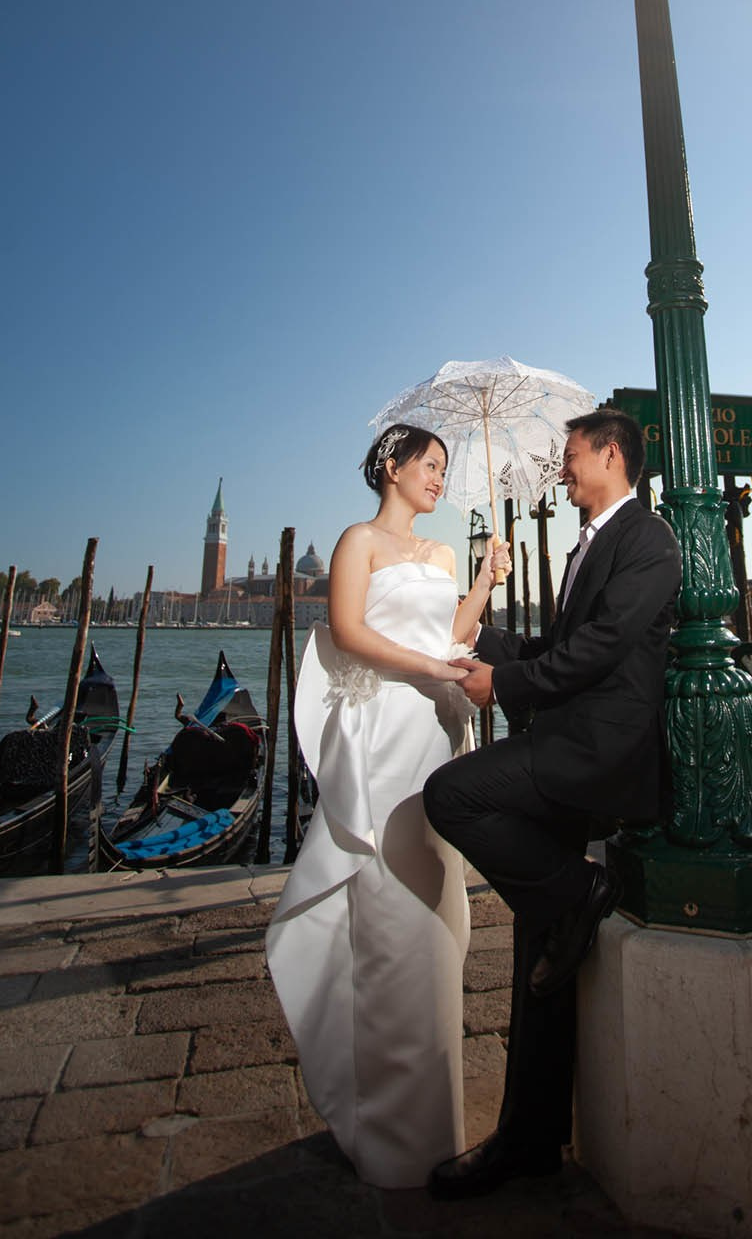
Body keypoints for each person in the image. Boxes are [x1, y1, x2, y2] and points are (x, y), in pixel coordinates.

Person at [423, 407, 682, 1199]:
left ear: (611, 455)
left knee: (451, 796)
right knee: (544, 951)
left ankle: (582, 891)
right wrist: (492, 636)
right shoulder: (590, 541)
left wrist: (505, 683)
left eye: (571, 456)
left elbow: (601, 649)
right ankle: (529, 1139)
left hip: (598, 750)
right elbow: (562, 644)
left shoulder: (651, 541)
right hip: (570, 737)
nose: (561, 469)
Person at [265, 423, 510, 1189]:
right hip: (383, 734)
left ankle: (434, 1123)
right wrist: (431, 666)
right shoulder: (357, 542)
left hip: (436, 731)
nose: (440, 478)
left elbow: (454, 632)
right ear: (393, 467)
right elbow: (348, 631)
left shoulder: (441, 556)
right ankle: (390, 1134)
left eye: (445, 468)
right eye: (430, 465)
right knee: (387, 907)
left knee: (436, 912)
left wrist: (485, 580)